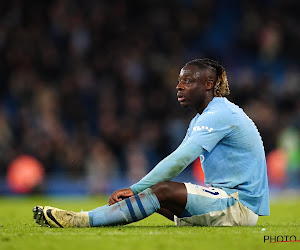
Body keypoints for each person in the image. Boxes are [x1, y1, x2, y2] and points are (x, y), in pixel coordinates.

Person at [33, 58, 269, 228]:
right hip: (224, 200)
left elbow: (180, 160)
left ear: (208, 84)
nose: (179, 86)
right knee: (153, 197)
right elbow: (178, 157)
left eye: (187, 81)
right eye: (179, 81)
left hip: (238, 206)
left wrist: (135, 188)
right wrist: (140, 191)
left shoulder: (219, 113)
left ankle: (82, 220)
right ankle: (87, 217)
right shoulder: (204, 116)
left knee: (160, 190)